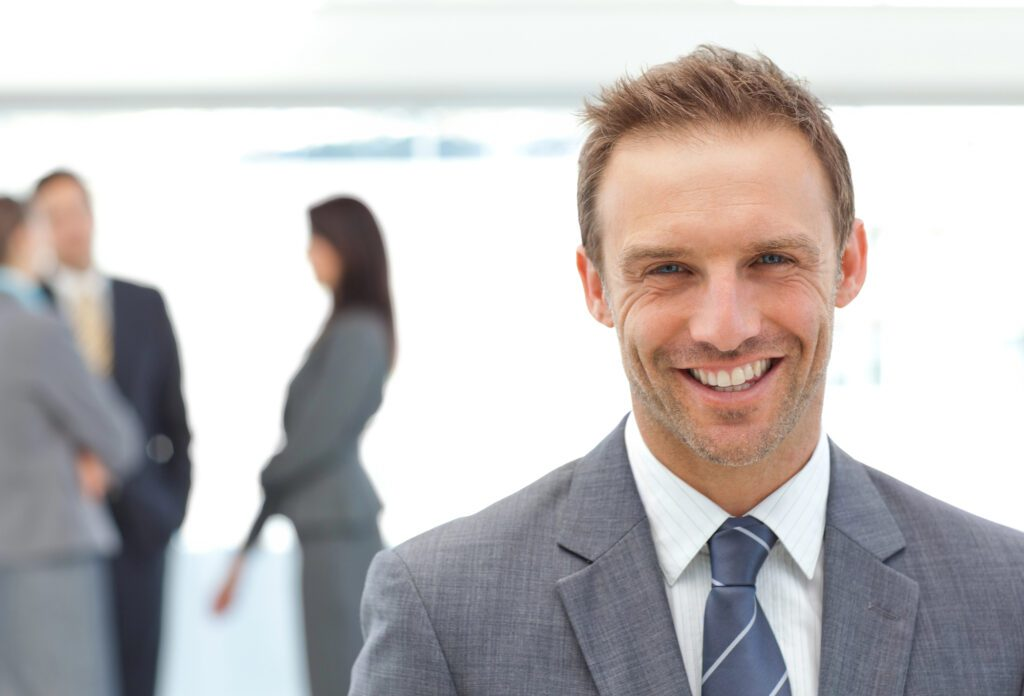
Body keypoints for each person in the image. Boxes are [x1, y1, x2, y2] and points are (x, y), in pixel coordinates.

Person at [350, 46, 1024, 696]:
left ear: (848, 265)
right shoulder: (442, 609)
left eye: (771, 260)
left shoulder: (1005, 599)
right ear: (597, 288)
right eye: (668, 270)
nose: (725, 328)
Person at [214, 196, 394, 696]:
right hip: (323, 532)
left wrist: (263, 476)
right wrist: (243, 553)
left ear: (345, 249)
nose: (309, 255)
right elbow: (303, 447)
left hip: (340, 532)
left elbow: (312, 443)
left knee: (343, 678)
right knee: (331, 674)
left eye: (317, 242)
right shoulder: (343, 329)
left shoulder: (359, 334)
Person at [31, 170, 192, 696]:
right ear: (38, 231)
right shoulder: (25, 316)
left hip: (143, 524)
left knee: (139, 676)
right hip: (58, 530)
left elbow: (176, 425)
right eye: (53, 218)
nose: (69, 228)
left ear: (92, 215)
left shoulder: (145, 304)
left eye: (74, 212)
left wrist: (170, 508)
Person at [0, 196, 142, 696]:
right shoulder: (35, 329)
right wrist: (84, 450)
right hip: (50, 548)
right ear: (21, 240)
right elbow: (119, 438)